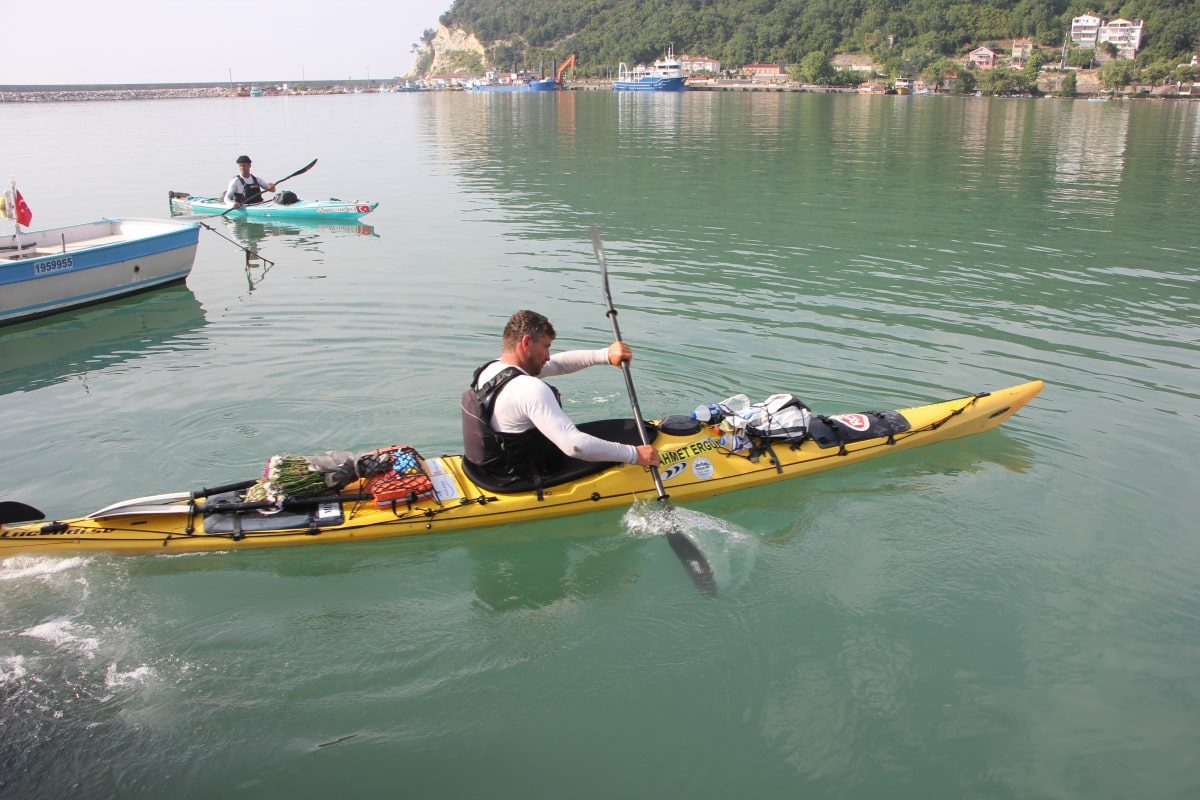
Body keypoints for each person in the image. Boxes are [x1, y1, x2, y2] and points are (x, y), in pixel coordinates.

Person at [462, 309, 660, 483]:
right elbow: (575, 446)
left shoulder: (490, 371)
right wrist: (635, 455)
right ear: (526, 342)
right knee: (633, 438)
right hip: (528, 475)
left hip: (492, 469)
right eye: (546, 346)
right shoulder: (529, 389)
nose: (548, 355)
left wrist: (605, 355)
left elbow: (559, 364)